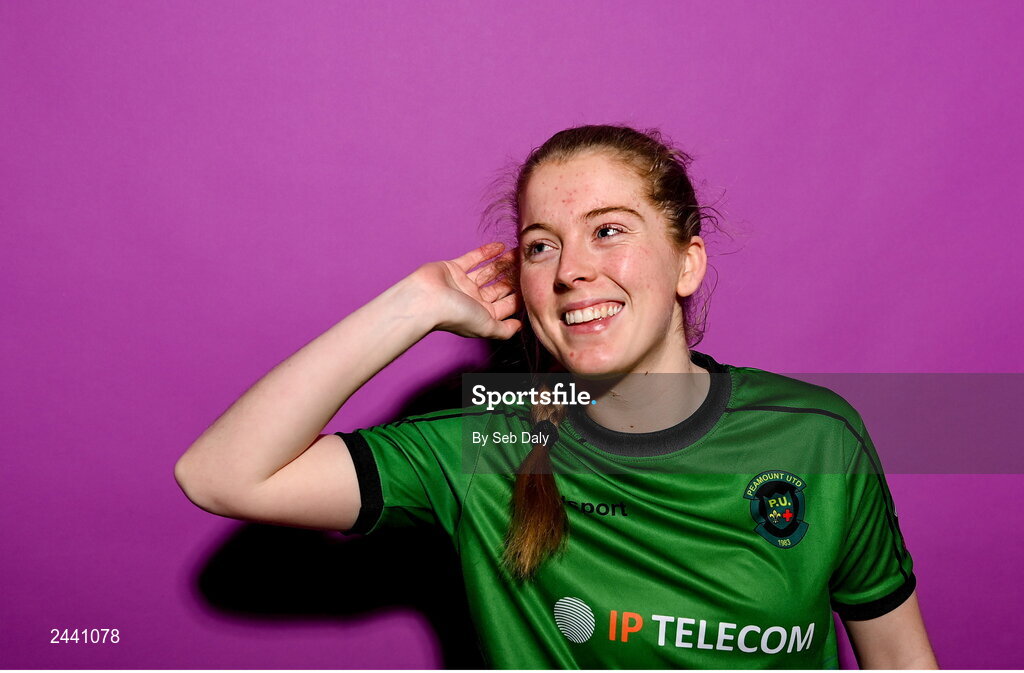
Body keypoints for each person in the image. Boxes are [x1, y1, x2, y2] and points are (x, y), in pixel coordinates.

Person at [175, 125, 938, 669]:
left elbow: (901, 659)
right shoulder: (485, 447)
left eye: (609, 230)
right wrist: (412, 304)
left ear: (686, 263)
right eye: (542, 244)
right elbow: (220, 474)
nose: (572, 268)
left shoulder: (816, 436)